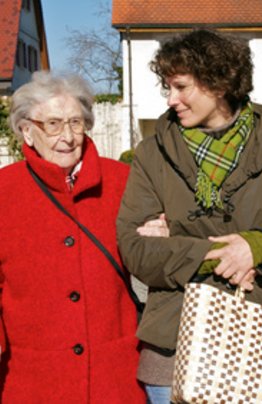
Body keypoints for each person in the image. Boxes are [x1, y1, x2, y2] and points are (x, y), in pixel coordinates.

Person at [117, 28, 262, 403]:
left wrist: (257, 246)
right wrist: (223, 255)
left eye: (181, 87)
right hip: (173, 345)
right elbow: (136, 249)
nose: (171, 99)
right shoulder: (150, 154)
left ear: (220, 81)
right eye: (167, 87)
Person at [0, 71, 150, 403]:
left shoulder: (123, 181)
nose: (67, 137)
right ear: (27, 131)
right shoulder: (4, 191)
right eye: (53, 124)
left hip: (114, 377)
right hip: (32, 379)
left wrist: (159, 237)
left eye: (75, 123)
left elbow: (154, 260)